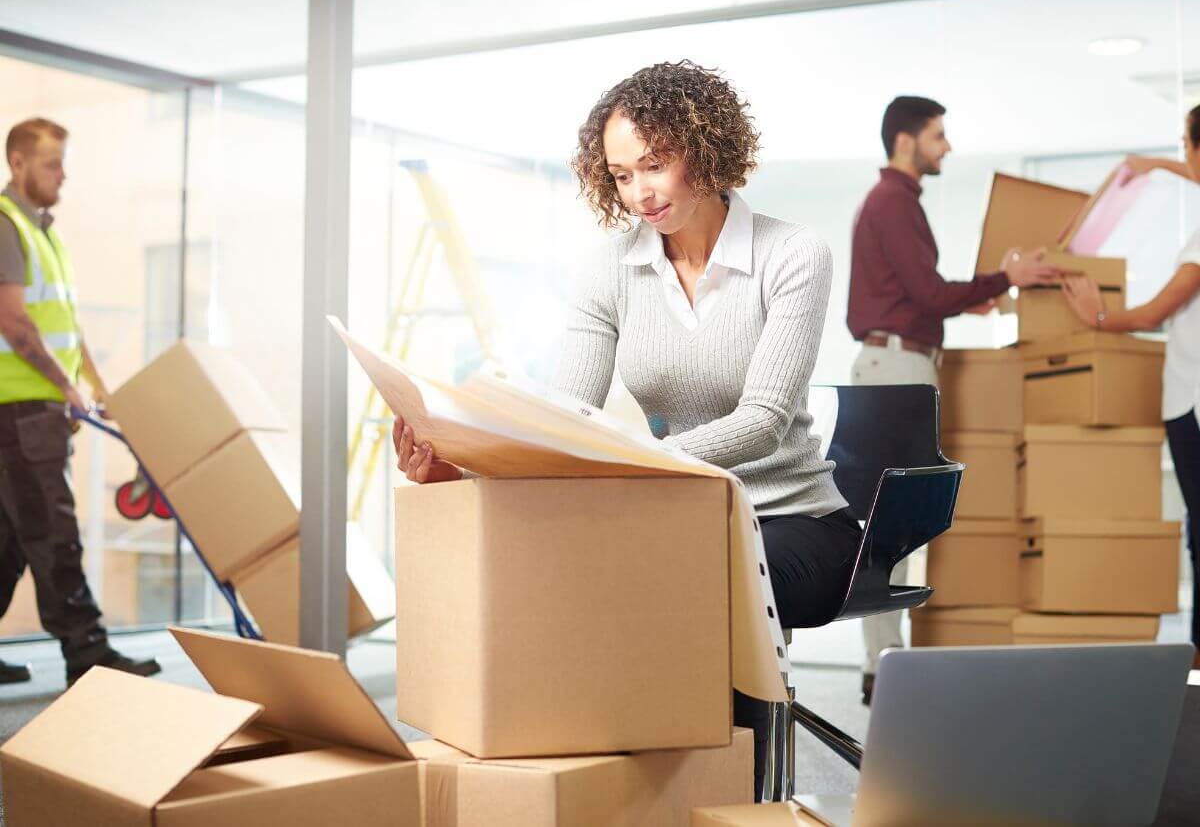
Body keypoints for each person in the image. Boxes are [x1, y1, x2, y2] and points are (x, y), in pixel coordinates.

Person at [394, 61, 858, 798]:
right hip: (673, 513)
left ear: (706, 150)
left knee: (686, 583)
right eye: (619, 175)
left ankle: (738, 794)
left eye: (655, 163)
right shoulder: (609, 269)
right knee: (597, 563)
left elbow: (763, 423)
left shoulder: (792, 253)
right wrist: (463, 463)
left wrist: (634, 462)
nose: (640, 191)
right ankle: (623, 782)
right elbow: (562, 417)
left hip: (791, 516)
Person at [846, 95, 1060, 705]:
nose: (948, 146)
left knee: (893, 517)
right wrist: (1003, 278)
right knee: (890, 520)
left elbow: (924, 294)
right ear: (907, 140)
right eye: (939, 136)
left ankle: (883, 659)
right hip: (896, 368)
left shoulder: (894, 202)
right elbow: (929, 292)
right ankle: (883, 661)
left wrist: (975, 296)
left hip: (900, 363)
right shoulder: (893, 202)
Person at [0, 117, 160, 686]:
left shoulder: (45, 232)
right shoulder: (6, 226)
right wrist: (65, 388)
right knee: (53, 532)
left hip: (36, 409)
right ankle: (86, 650)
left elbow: (62, 323)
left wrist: (94, 383)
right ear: (17, 163)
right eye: (51, 163)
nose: (62, 175)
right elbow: (14, 323)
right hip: (20, 411)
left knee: (13, 538)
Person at [1062, 103, 1200, 669]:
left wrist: (1098, 317)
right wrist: (1160, 165)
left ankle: (1197, 661)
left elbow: (1158, 310)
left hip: (1193, 402)